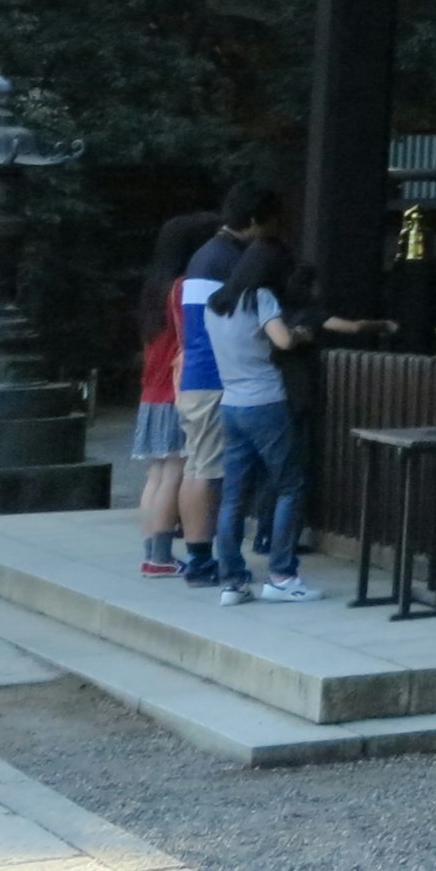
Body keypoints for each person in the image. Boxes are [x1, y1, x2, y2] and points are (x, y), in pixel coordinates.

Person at [201, 231, 318, 603]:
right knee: (289, 486)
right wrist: (300, 334)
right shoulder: (261, 298)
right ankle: (281, 576)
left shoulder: (215, 302)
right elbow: (281, 340)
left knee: (233, 496)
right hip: (266, 402)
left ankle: (232, 581)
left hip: (230, 404)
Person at [176, 186, 279, 586]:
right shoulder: (227, 260)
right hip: (214, 377)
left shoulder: (205, 255)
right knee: (207, 470)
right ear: (254, 220)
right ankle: (201, 561)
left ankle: (198, 555)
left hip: (197, 377)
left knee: (197, 465)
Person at [134, 211, 221, 577]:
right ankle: (162, 557)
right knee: (175, 473)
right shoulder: (184, 287)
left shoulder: (152, 287)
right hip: (174, 391)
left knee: (156, 475)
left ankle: (154, 554)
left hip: (150, 393)